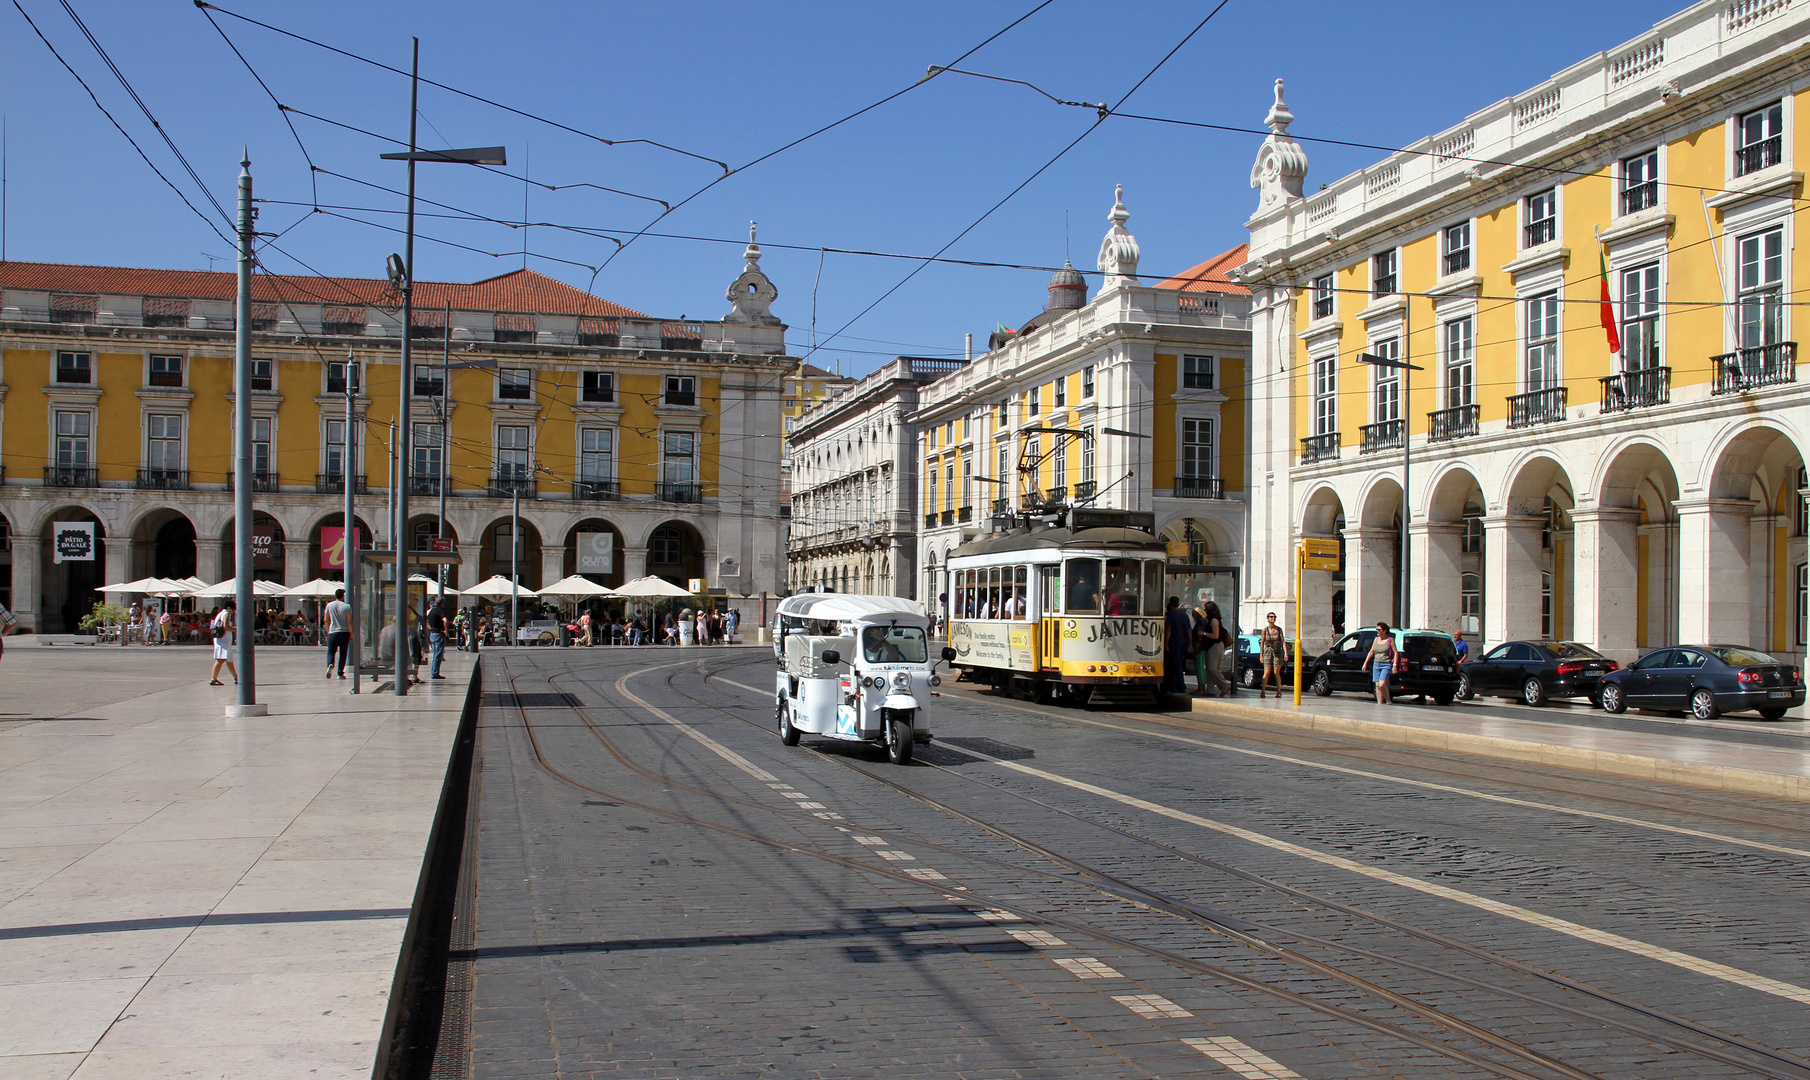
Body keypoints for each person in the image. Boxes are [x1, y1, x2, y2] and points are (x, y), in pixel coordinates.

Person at [1201, 601, 1233, 698]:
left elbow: (1215, 636)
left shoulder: (1214, 620)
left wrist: (1204, 633)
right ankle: (1211, 689)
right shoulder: (1210, 620)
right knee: (1208, 669)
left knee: (1212, 668)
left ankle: (1225, 685)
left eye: (1206, 609)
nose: (1204, 611)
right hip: (1210, 646)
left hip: (1215, 646)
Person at [1161, 596, 1191, 696]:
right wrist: (1190, 643)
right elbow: (1188, 630)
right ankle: (1171, 685)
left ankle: (1181, 687)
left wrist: (1166, 643)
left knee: (1176, 665)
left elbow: (1168, 629)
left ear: (1170, 603)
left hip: (1175, 642)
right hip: (1183, 643)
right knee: (1176, 664)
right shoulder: (1184, 615)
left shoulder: (1170, 615)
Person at [323, 588, 353, 679]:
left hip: (333, 632)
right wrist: (352, 633)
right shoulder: (347, 606)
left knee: (331, 651)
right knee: (343, 653)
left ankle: (330, 663)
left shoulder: (329, 605)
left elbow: (326, 619)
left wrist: (328, 629)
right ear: (343, 596)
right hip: (344, 632)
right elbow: (349, 621)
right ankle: (340, 672)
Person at [1364, 621, 1397, 704]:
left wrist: (1395, 665)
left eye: (1379, 629)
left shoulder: (1390, 640)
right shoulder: (1376, 639)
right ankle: (1380, 703)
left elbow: (1396, 652)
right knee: (1378, 686)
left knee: (1382, 684)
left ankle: (1388, 701)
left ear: (1384, 631)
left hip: (1386, 663)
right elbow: (1371, 652)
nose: (1377, 631)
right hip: (1376, 663)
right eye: (1376, 629)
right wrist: (1365, 663)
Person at [208, 600, 237, 686]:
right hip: (223, 640)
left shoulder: (219, 614)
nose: (233, 612)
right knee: (221, 659)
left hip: (222, 640)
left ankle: (236, 678)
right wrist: (235, 630)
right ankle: (213, 678)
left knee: (229, 661)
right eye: (232, 609)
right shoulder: (226, 614)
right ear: (228, 608)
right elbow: (226, 626)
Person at [1259, 612, 1286, 699]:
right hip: (1267, 652)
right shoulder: (1265, 630)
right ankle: (1263, 691)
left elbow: (1283, 641)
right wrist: (1261, 656)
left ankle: (1279, 691)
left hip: (1277, 652)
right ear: (1267, 618)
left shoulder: (1279, 629)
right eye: (1271, 617)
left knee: (1276, 672)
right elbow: (1262, 643)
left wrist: (1286, 653)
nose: (1273, 618)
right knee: (1266, 672)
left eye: (1274, 617)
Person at [425, 597, 449, 680]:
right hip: (438, 633)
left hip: (432, 633)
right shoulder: (440, 610)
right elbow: (445, 620)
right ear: (442, 603)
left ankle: (434, 672)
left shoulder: (432, 610)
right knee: (438, 655)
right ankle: (435, 673)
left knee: (435, 654)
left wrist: (430, 628)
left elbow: (426, 621)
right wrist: (446, 630)